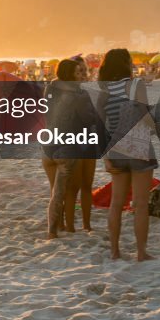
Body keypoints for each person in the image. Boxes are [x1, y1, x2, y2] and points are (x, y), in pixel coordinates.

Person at [97, 49, 158, 261]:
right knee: (140, 204)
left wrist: (105, 155)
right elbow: (146, 117)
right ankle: (141, 252)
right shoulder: (136, 85)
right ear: (125, 64)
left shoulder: (104, 91)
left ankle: (115, 251)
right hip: (139, 146)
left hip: (115, 148)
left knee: (116, 202)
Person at [43, 58, 104, 238]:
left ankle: (61, 226)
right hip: (68, 147)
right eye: (78, 72)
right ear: (70, 75)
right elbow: (88, 118)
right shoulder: (79, 94)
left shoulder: (50, 89)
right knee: (62, 192)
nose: (81, 75)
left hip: (48, 146)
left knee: (55, 190)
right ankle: (54, 231)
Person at [66, 55, 97, 231]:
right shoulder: (67, 92)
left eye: (84, 71)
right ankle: (69, 226)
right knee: (72, 188)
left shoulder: (86, 91)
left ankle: (86, 224)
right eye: (79, 71)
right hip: (73, 143)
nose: (83, 74)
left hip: (88, 141)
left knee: (87, 185)